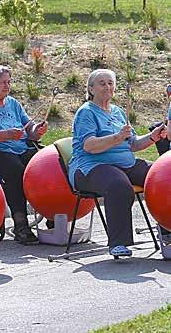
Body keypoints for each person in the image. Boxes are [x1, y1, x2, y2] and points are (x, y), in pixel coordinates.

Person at [68, 69, 167, 258]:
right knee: (119, 184)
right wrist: (117, 137)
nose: (108, 87)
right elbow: (89, 146)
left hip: (125, 164)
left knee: (161, 176)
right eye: (102, 83)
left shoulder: (118, 111)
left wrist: (153, 137)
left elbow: (134, 144)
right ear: (91, 89)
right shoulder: (86, 112)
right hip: (90, 167)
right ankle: (118, 243)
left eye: (111, 83)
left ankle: (167, 230)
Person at [0, 65, 48, 245]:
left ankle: (52, 211)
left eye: (9, 82)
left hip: (21, 147)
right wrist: (5, 134)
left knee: (46, 165)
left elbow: (29, 128)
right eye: (3, 82)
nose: (7, 85)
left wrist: (38, 130)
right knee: (16, 171)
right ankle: (21, 223)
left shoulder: (13, 103)